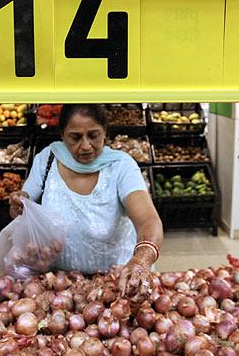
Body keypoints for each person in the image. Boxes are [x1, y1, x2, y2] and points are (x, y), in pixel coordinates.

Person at [9, 104, 163, 298]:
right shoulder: (47, 159)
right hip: (58, 287)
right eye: (75, 137)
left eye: (93, 135)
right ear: (62, 134)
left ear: (105, 132)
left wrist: (142, 259)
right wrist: (19, 205)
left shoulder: (121, 166)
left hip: (114, 285)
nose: (85, 146)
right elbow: (25, 201)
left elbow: (149, 220)